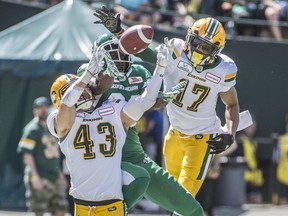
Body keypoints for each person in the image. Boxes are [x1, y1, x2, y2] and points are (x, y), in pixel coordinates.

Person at [94, 7, 240, 198]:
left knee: (185, 196)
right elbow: (143, 53)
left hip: (202, 137)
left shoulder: (224, 69)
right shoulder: (175, 51)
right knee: (173, 197)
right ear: (189, 38)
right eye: (196, 43)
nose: (198, 50)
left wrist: (230, 133)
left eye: (206, 48)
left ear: (217, 50)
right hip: (174, 134)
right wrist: (119, 31)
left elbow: (232, 105)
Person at [47, 41, 191, 215]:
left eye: (84, 88)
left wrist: (159, 70)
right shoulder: (59, 121)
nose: (83, 92)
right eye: (77, 90)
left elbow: (145, 101)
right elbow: (67, 103)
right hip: (82, 205)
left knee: (141, 176)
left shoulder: (112, 109)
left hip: (111, 204)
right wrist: (87, 76)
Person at [17, 96, 68, 216]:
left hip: (54, 177)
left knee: (61, 209)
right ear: (35, 110)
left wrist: (60, 175)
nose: (43, 110)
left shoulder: (52, 129)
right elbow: (27, 154)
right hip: (41, 176)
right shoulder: (32, 129)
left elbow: (55, 156)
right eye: (40, 108)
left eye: (46, 107)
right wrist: (34, 177)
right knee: (38, 211)